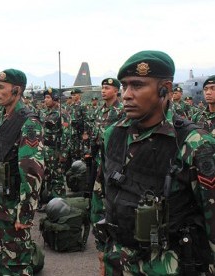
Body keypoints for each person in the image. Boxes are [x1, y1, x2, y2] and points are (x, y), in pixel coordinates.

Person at [98, 51, 215, 275]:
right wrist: (103, 250)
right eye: (124, 86)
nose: (127, 95)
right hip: (118, 261)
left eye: (137, 86)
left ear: (166, 89)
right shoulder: (113, 134)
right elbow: (101, 193)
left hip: (168, 265)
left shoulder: (194, 144)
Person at [0, 69, 44, 275]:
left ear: (17, 90)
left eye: (1, 88)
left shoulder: (28, 122)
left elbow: (32, 173)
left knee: (15, 264)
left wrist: (25, 215)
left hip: (12, 207)